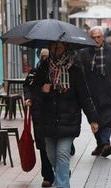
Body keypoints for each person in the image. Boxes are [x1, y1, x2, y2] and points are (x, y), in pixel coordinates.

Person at [29, 42, 99, 188]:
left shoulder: (75, 70)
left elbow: (85, 97)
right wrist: (43, 90)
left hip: (69, 120)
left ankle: (62, 185)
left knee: (62, 154)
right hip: (48, 121)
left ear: (66, 48)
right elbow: (34, 92)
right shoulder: (43, 69)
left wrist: (93, 119)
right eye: (53, 47)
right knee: (51, 156)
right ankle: (63, 173)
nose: (56, 50)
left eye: (59, 47)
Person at [78, 26, 111, 158]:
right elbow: (82, 74)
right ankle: (100, 144)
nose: (96, 40)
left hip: (109, 90)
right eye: (93, 37)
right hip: (92, 92)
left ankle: (105, 143)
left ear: (103, 37)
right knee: (95, 119)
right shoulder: (84, 53)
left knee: (108, 119)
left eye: (98, 37)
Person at [23, 48, 54, 187]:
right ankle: (47, 175)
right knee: (42, 145)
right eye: (42, 57)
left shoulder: (57, 72)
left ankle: (60, 169)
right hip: (39, 113)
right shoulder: (33, 73)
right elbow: (27, 86)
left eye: (47, 57)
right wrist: (29, 98)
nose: (44, 59)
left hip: (54, 113)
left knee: (55, 145)